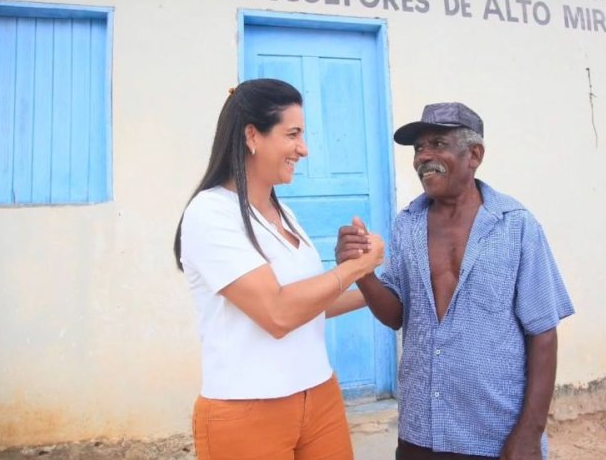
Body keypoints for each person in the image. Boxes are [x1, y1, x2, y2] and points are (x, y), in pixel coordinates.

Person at [335, 102, 575, 460]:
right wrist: (362, 272)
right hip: (421, 432)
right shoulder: (408, 224)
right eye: (418, 148)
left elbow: (543, 333)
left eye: (437, 144)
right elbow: (396, 315)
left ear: (474, 154)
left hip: (493, 433)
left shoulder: (516, 226)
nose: (423, 157)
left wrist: (529, 431)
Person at [173, 78, 384, 460]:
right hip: (248, 410)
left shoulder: (282, 212)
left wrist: (376, 290)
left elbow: (307, 305)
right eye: (293, 134)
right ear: (253, 135)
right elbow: (278, 313)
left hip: (319, 395)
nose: (303, 149)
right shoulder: (210, 214)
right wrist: (355, 269)